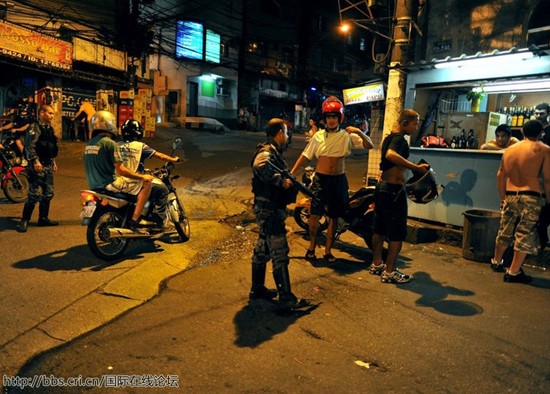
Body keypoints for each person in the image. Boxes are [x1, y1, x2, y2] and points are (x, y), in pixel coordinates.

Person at [290, 96, 373, 263]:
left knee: (334, 217)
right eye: (328, 117)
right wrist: (292, 172)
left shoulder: (347, 136)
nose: (331, 120)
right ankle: (312, 247)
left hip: (339, 180)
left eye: (334, 117)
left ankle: (328, 251)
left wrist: (358, 132)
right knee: (315, 214)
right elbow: (306, 156)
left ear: (340, 118)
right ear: (325, 119)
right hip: (321, 179)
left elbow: (369, 145)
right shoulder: (318, 136)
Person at [250, 117, 306, 309]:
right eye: (287, 133)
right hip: (270, 210)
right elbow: (260, 166)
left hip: (267, 209)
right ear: (280, 133)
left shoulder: (273, 152)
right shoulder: (266, 152)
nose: (288, 137)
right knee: (279, 252)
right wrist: (280, 181)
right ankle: (286, 298)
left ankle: (257, 288)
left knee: (262, 250)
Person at [369, 109, 430, 283]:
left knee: (379, 229)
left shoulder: (389, 137)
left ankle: (377, 264)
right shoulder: (399, 139)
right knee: (397, 233)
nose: (415, 127)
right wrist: (415, 168)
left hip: (383, 188)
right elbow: (390, 155)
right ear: (405, 123)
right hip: (393, 191)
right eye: (414, 123)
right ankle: (389, 272)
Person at [489, 120, 550, 283]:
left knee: (505, 229)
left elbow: (500, 176)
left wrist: (503, 198)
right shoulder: (544, 149)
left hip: (510, 194)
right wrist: (549, 200)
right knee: (525, 233)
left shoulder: (509, 150)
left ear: (522, 131)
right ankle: (513, 272)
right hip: (531, 196)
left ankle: (496, 261)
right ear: (541, 133)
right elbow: (547, 178)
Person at [83, 111, 154, 231]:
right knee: (147, 184)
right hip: (109, 184)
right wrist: (142, 177)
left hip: (93, 184)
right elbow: (121, 170)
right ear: (109, 125)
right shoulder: (110, 144)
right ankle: (134, 219)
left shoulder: (89, 144)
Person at [118, 119, 179, 227]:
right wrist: (173, 159)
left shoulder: (117, 145)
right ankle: (158, 219)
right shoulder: (140, 146)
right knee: (162, 189)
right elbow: (159, 156)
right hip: (135, 182)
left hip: (119, 181)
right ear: (138, 132)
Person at [16, 105, 59, 233]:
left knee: (48, 193)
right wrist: (35, 161)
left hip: (47, 165)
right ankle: (24, 220)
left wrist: (53, 162)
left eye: (52, 114)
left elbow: (50, 147)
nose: (52, 116)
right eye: (49, 113)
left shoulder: (49, 129)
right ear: (41, 113)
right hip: (37, 165)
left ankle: (43, 218)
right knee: (34, 194)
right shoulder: (34, 127)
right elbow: (29, 146)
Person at [534, 103, 550, 248]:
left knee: (545, 211)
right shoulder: (532, 131)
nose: (539, 116)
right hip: (535, 176)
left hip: (547, 174)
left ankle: (543, 242)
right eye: (537, 113)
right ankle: (541, 242)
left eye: (542, 113)